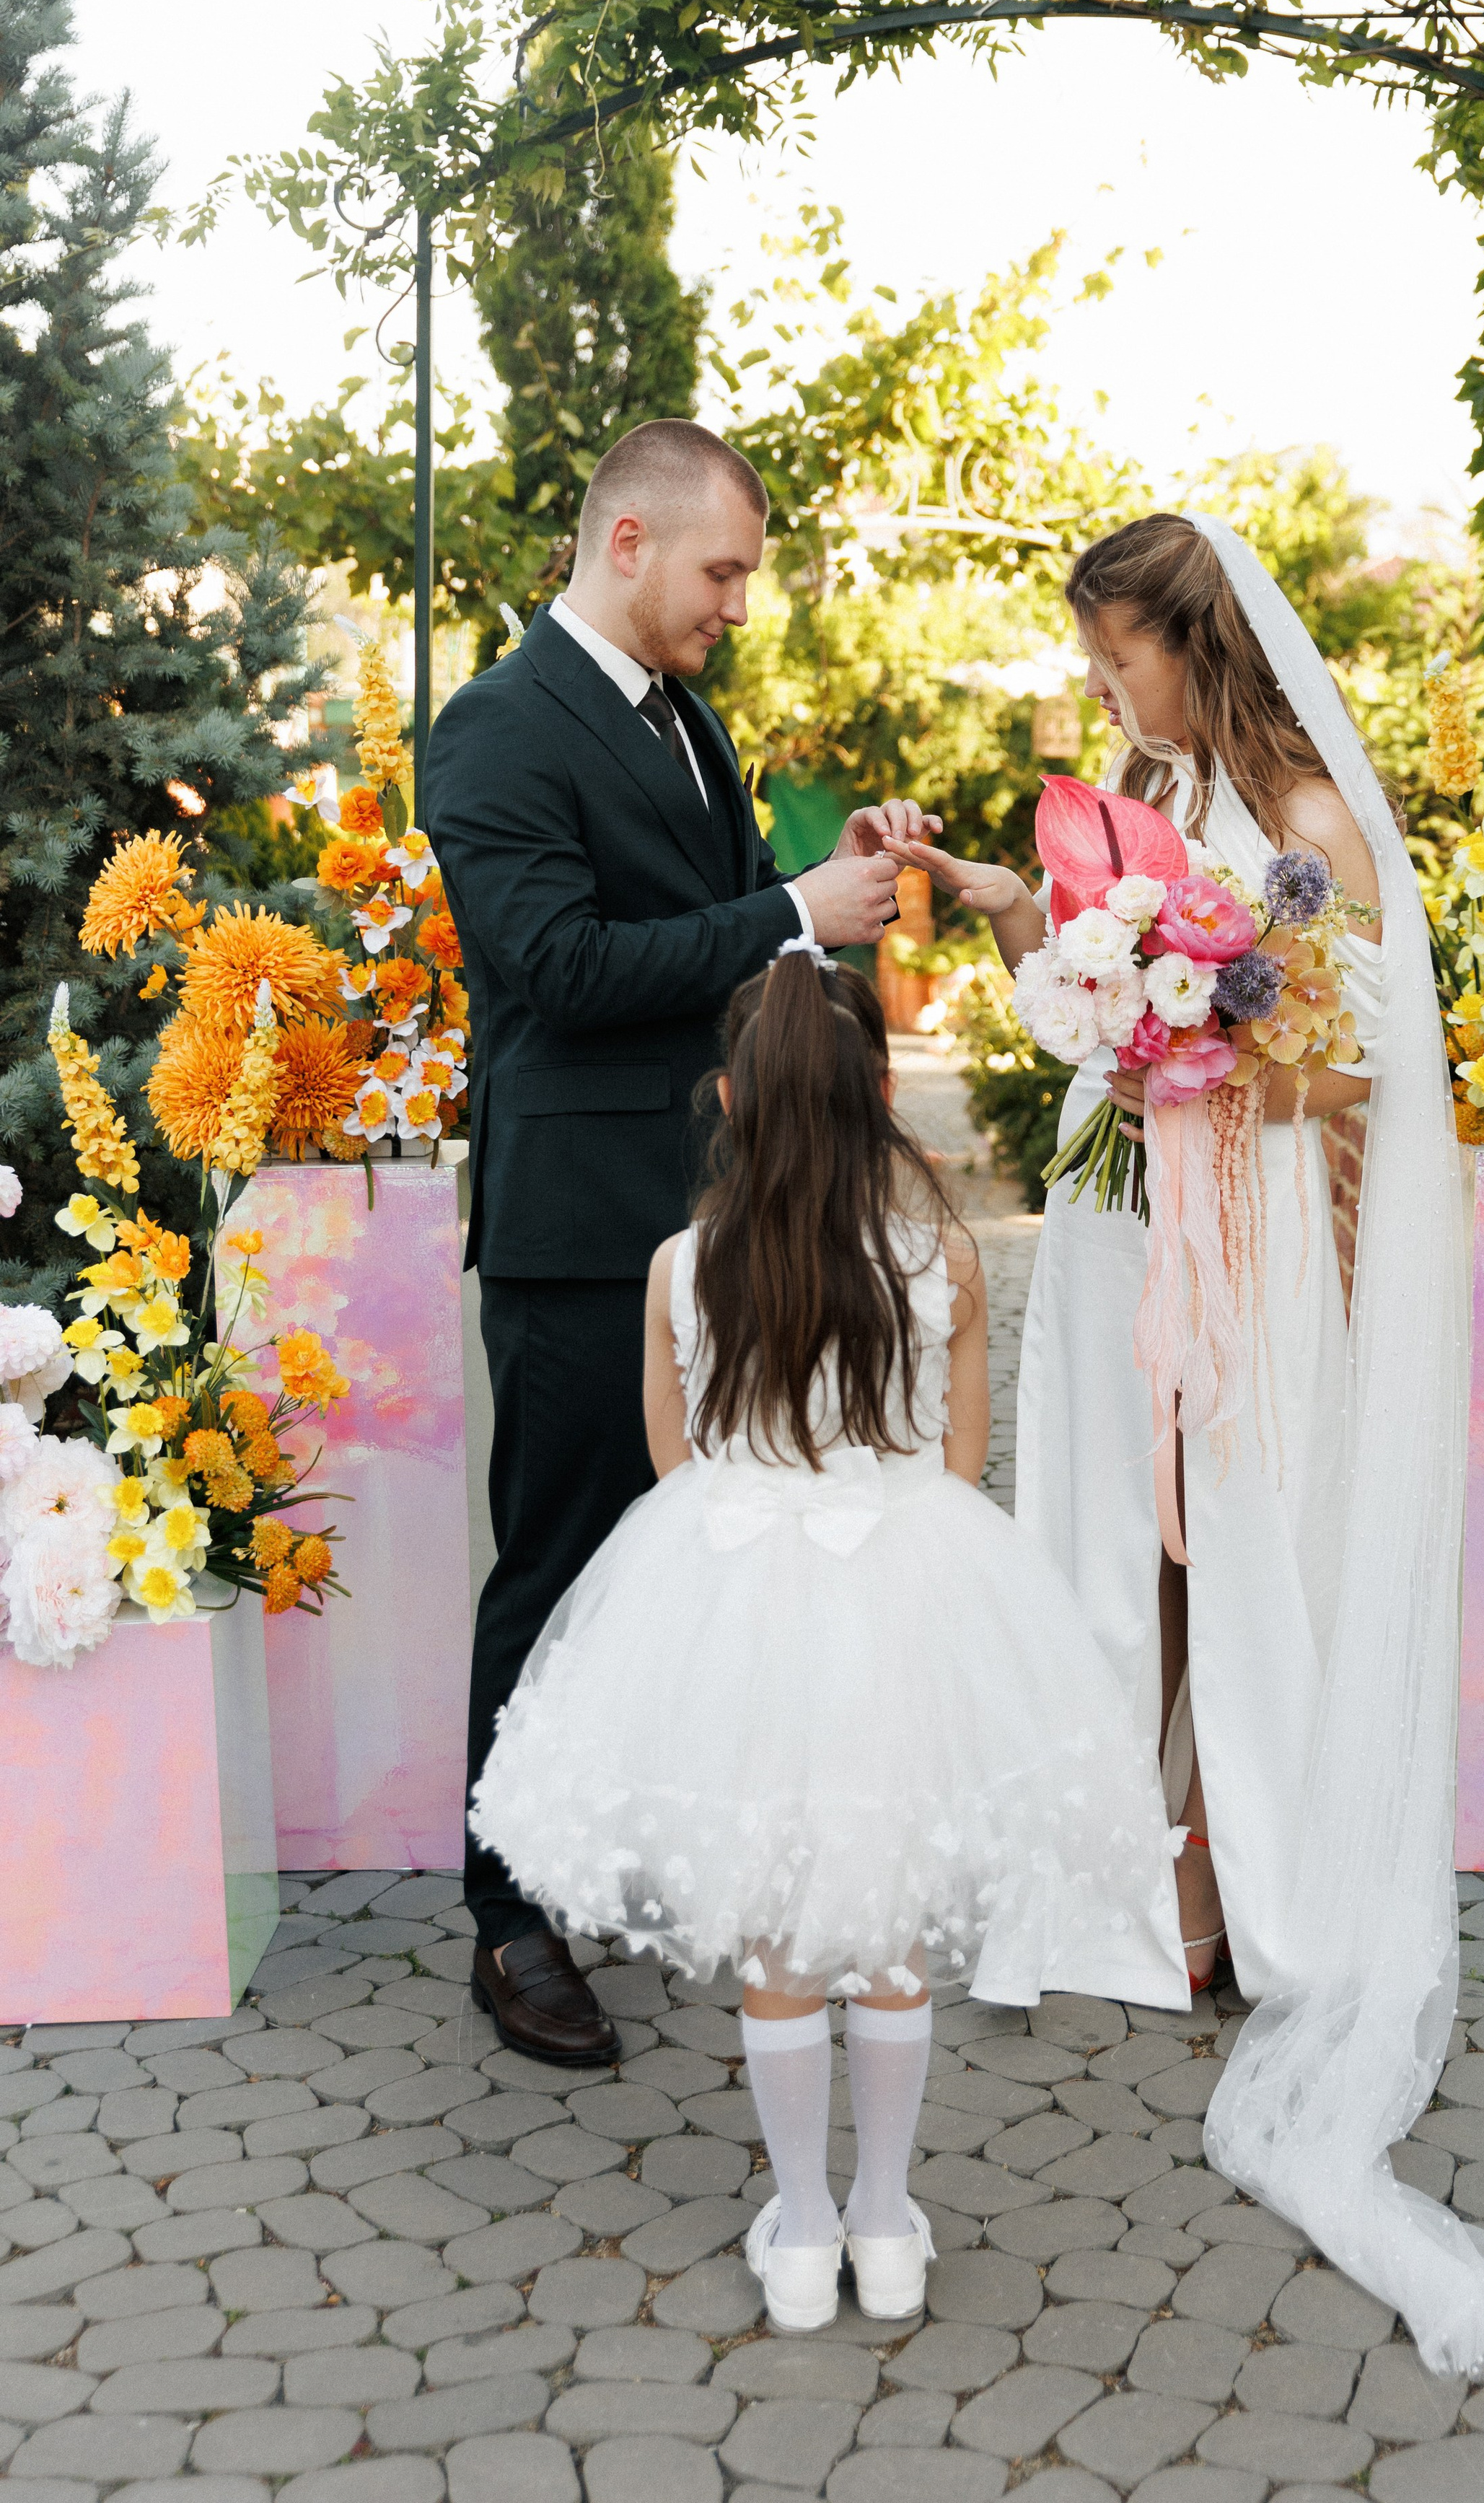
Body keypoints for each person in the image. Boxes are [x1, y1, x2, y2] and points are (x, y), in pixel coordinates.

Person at [900, 514, 1484, 2378]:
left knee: (1227, 1532)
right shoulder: (1159, 782)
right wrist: (1037, 931)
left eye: (1120, 654)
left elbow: (1365, 1068)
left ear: (1195, 643)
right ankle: (1118, 1877)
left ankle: (1241, 1883)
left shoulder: (1308, 820)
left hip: (1253, 1235)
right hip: (1121, 1221)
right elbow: (1099, 941)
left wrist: (1196, 1059)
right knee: (1108, 1530)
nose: (1101, 686)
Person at [470, 947, 1186, 2333]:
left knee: (778, 1935)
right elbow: (962, 1457)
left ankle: (800, 2232)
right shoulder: (950, 1258)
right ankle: (886, 2223)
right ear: (875, 1092)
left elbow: (676, 1466)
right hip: (906, 1590)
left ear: (731, 1096)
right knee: (889, 1928)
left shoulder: (683, 1268)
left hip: (731, 1601)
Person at [423, 418, 931, 2068]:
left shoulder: (690, 722)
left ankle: (646, 1852)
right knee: (561, 1555)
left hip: (720, 1216)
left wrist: (825, 885)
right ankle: (509, 1918)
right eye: (720, 571)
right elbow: (560, 969)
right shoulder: (494, 730)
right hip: (583, 1227)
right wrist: (787, 908)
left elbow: (716, 943)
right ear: (625, 543)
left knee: (712, 1554)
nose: (735, 603)